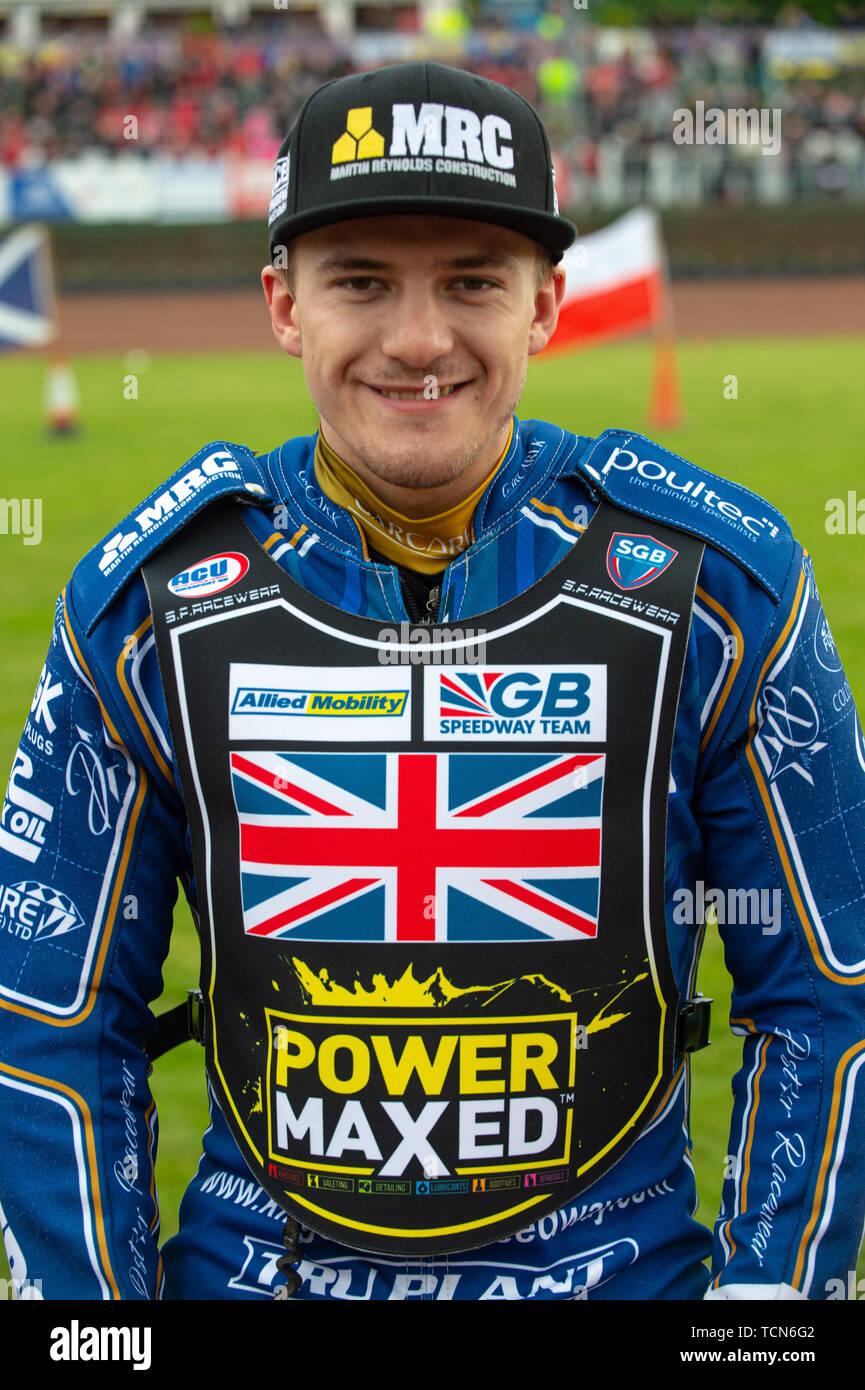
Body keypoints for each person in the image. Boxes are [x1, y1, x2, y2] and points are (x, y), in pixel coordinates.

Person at [1, 60, 863, 1304]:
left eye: (472, 280)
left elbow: (829, 992)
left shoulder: (717, 587)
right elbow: (50, 1024)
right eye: (361, 281)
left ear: (545, 305)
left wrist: (766, 1313)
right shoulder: (146, 602)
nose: (418, 340)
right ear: (283, 302)